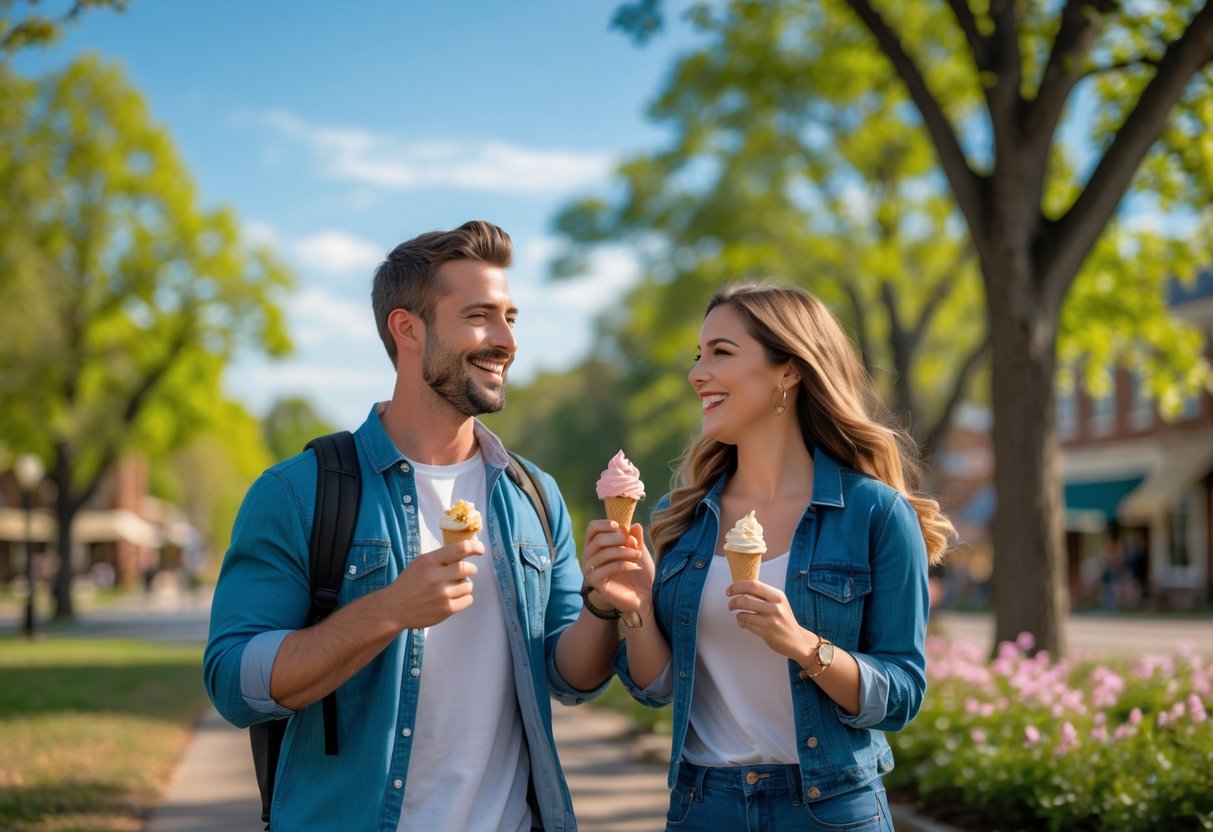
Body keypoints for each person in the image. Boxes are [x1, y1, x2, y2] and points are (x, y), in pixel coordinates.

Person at [204, 220, 625, 831]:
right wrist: (388, 610)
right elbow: (233, 681)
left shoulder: (534, 493)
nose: (506, 339)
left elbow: (569, 678)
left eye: (511, 317)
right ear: (408, 329)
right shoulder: (297, 492)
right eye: (480, 315)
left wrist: (604, 605)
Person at [581, 281, 953, 831]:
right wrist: (634, 608)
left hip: (830, 809)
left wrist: (803, 645)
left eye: (720, 353)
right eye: (698, 355)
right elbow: (658, 688)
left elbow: (900, 695)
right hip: (702, 807)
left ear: (789, 369)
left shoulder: (875, 513)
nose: (697, 373)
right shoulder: (681, 518)